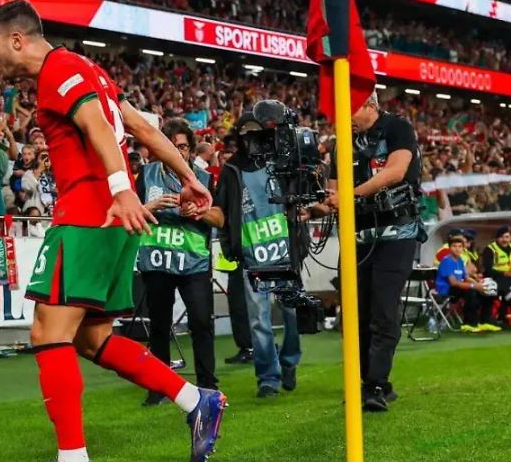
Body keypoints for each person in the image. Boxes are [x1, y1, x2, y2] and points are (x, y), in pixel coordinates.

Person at [0, 0, 224, 462]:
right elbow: (140, 127)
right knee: (91, 339)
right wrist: (189, 176)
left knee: (48, 332)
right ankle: (196, 400)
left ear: (16, 39)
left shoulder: (58, 69)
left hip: (90, 215)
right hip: (111, 219)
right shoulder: (89, 69)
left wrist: (121, 190)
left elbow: (96, 125)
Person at [324, 93, 423, 412]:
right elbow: (333, 189)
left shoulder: (398, 128)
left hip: (397, 232)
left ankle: (376, 384)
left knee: (382, 309)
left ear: (369, 105)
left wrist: (349, 196)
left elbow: (395, 171)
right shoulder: (341, 142)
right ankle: (368, 382)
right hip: (357, 235)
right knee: (356, 313)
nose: (345, 117)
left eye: (349, 109)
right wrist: (321, 202)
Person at [211, 113, 302, 399]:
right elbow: (222, 210)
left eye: (256, 134)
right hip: (253, 258)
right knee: (259, 321)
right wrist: (231, 248)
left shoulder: (280, 163)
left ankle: (289, 361)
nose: (251, 140)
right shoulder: (231, 170)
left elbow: (298, 198)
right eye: (246, 135)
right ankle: (268, 378)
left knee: (292, 314)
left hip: (285, 254)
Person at [136, 118, 222, 404]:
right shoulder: (146, 174)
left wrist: (200, 211)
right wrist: (150, 206)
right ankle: (159, 388)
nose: (178, 151)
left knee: (201, 322)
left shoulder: (205, 178)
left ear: (191, 149)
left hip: (193, 262)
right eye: (171, 146)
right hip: (158, 259)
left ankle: (208, 386)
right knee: (159, 325)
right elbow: (131, 211)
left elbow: (221, 218)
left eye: (183, 147)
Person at [435, 236, 498, 333]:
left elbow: (466, 277)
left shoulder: (460, 260)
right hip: (447, 289)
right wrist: (475, 286)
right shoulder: (446, 261)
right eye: (454, 246)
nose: (457, 249)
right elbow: (453, 283)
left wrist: (479, 285)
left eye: (460, 246)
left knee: (488, 291)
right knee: (471, 292)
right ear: (450, 248)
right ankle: (469, 324)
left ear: (463, 248)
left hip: (459, 287)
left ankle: (485, 321)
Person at [480, 226, 511, 325]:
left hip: (508, 278)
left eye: (507, 237)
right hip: (494, 278)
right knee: (507, 288)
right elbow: (488, 269)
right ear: (497, 238)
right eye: (501, 237)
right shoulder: (490, 249)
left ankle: (503, 317)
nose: (504, 240)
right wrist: (504, 273)